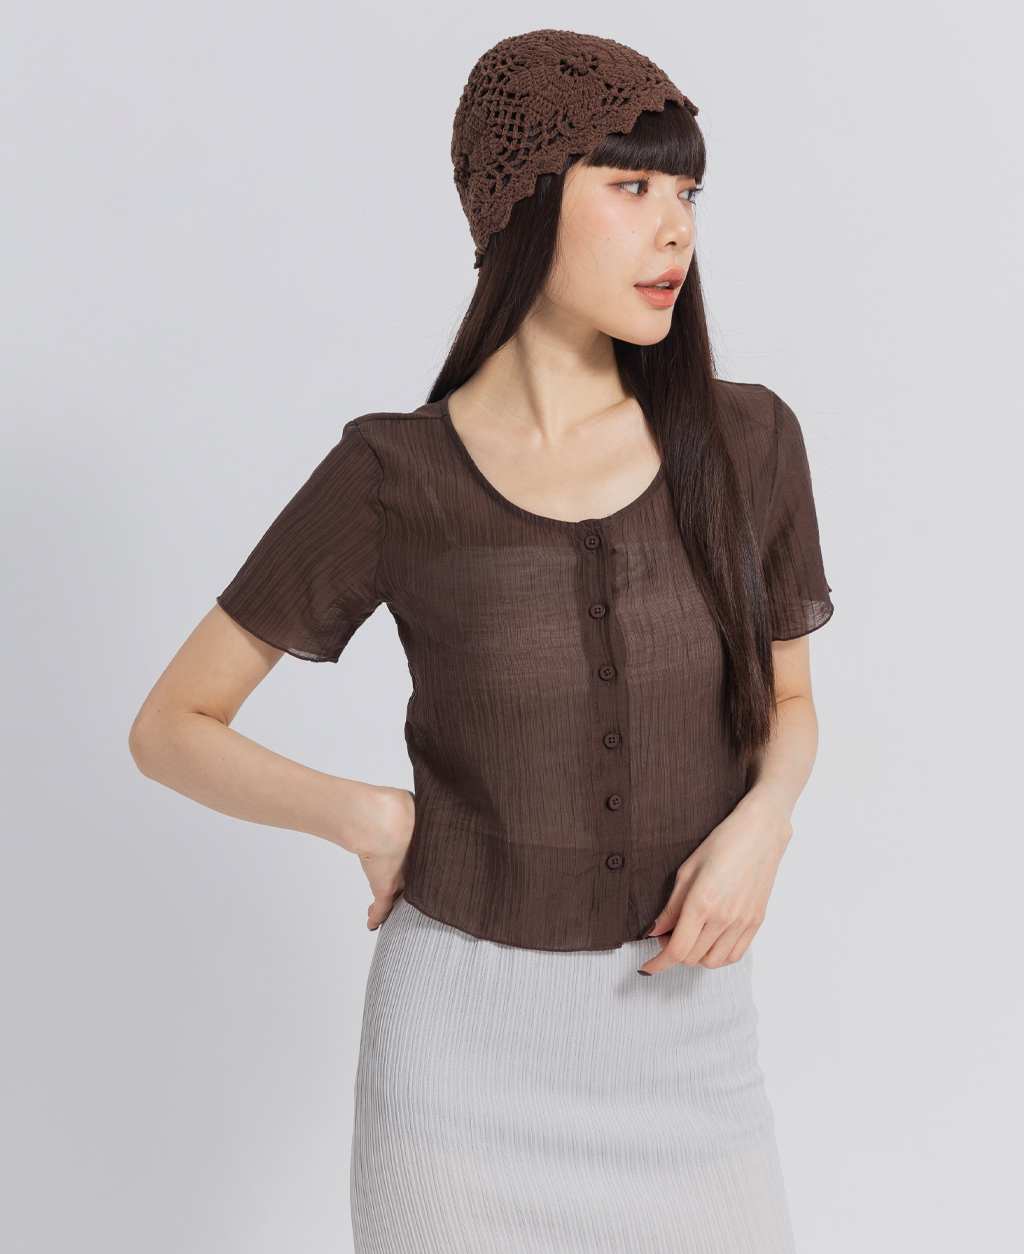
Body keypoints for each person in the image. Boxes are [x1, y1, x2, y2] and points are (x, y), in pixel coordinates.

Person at [129, 27, 833, 1254]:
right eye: (633, 186)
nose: (676, 228)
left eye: (687, 191)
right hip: (454, 1073)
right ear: (522, 203)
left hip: (693, 1056)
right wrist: (367, 816)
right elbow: (170, 727)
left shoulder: (749, 442)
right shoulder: (393, 474)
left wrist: (764, 822)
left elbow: (788, 702)